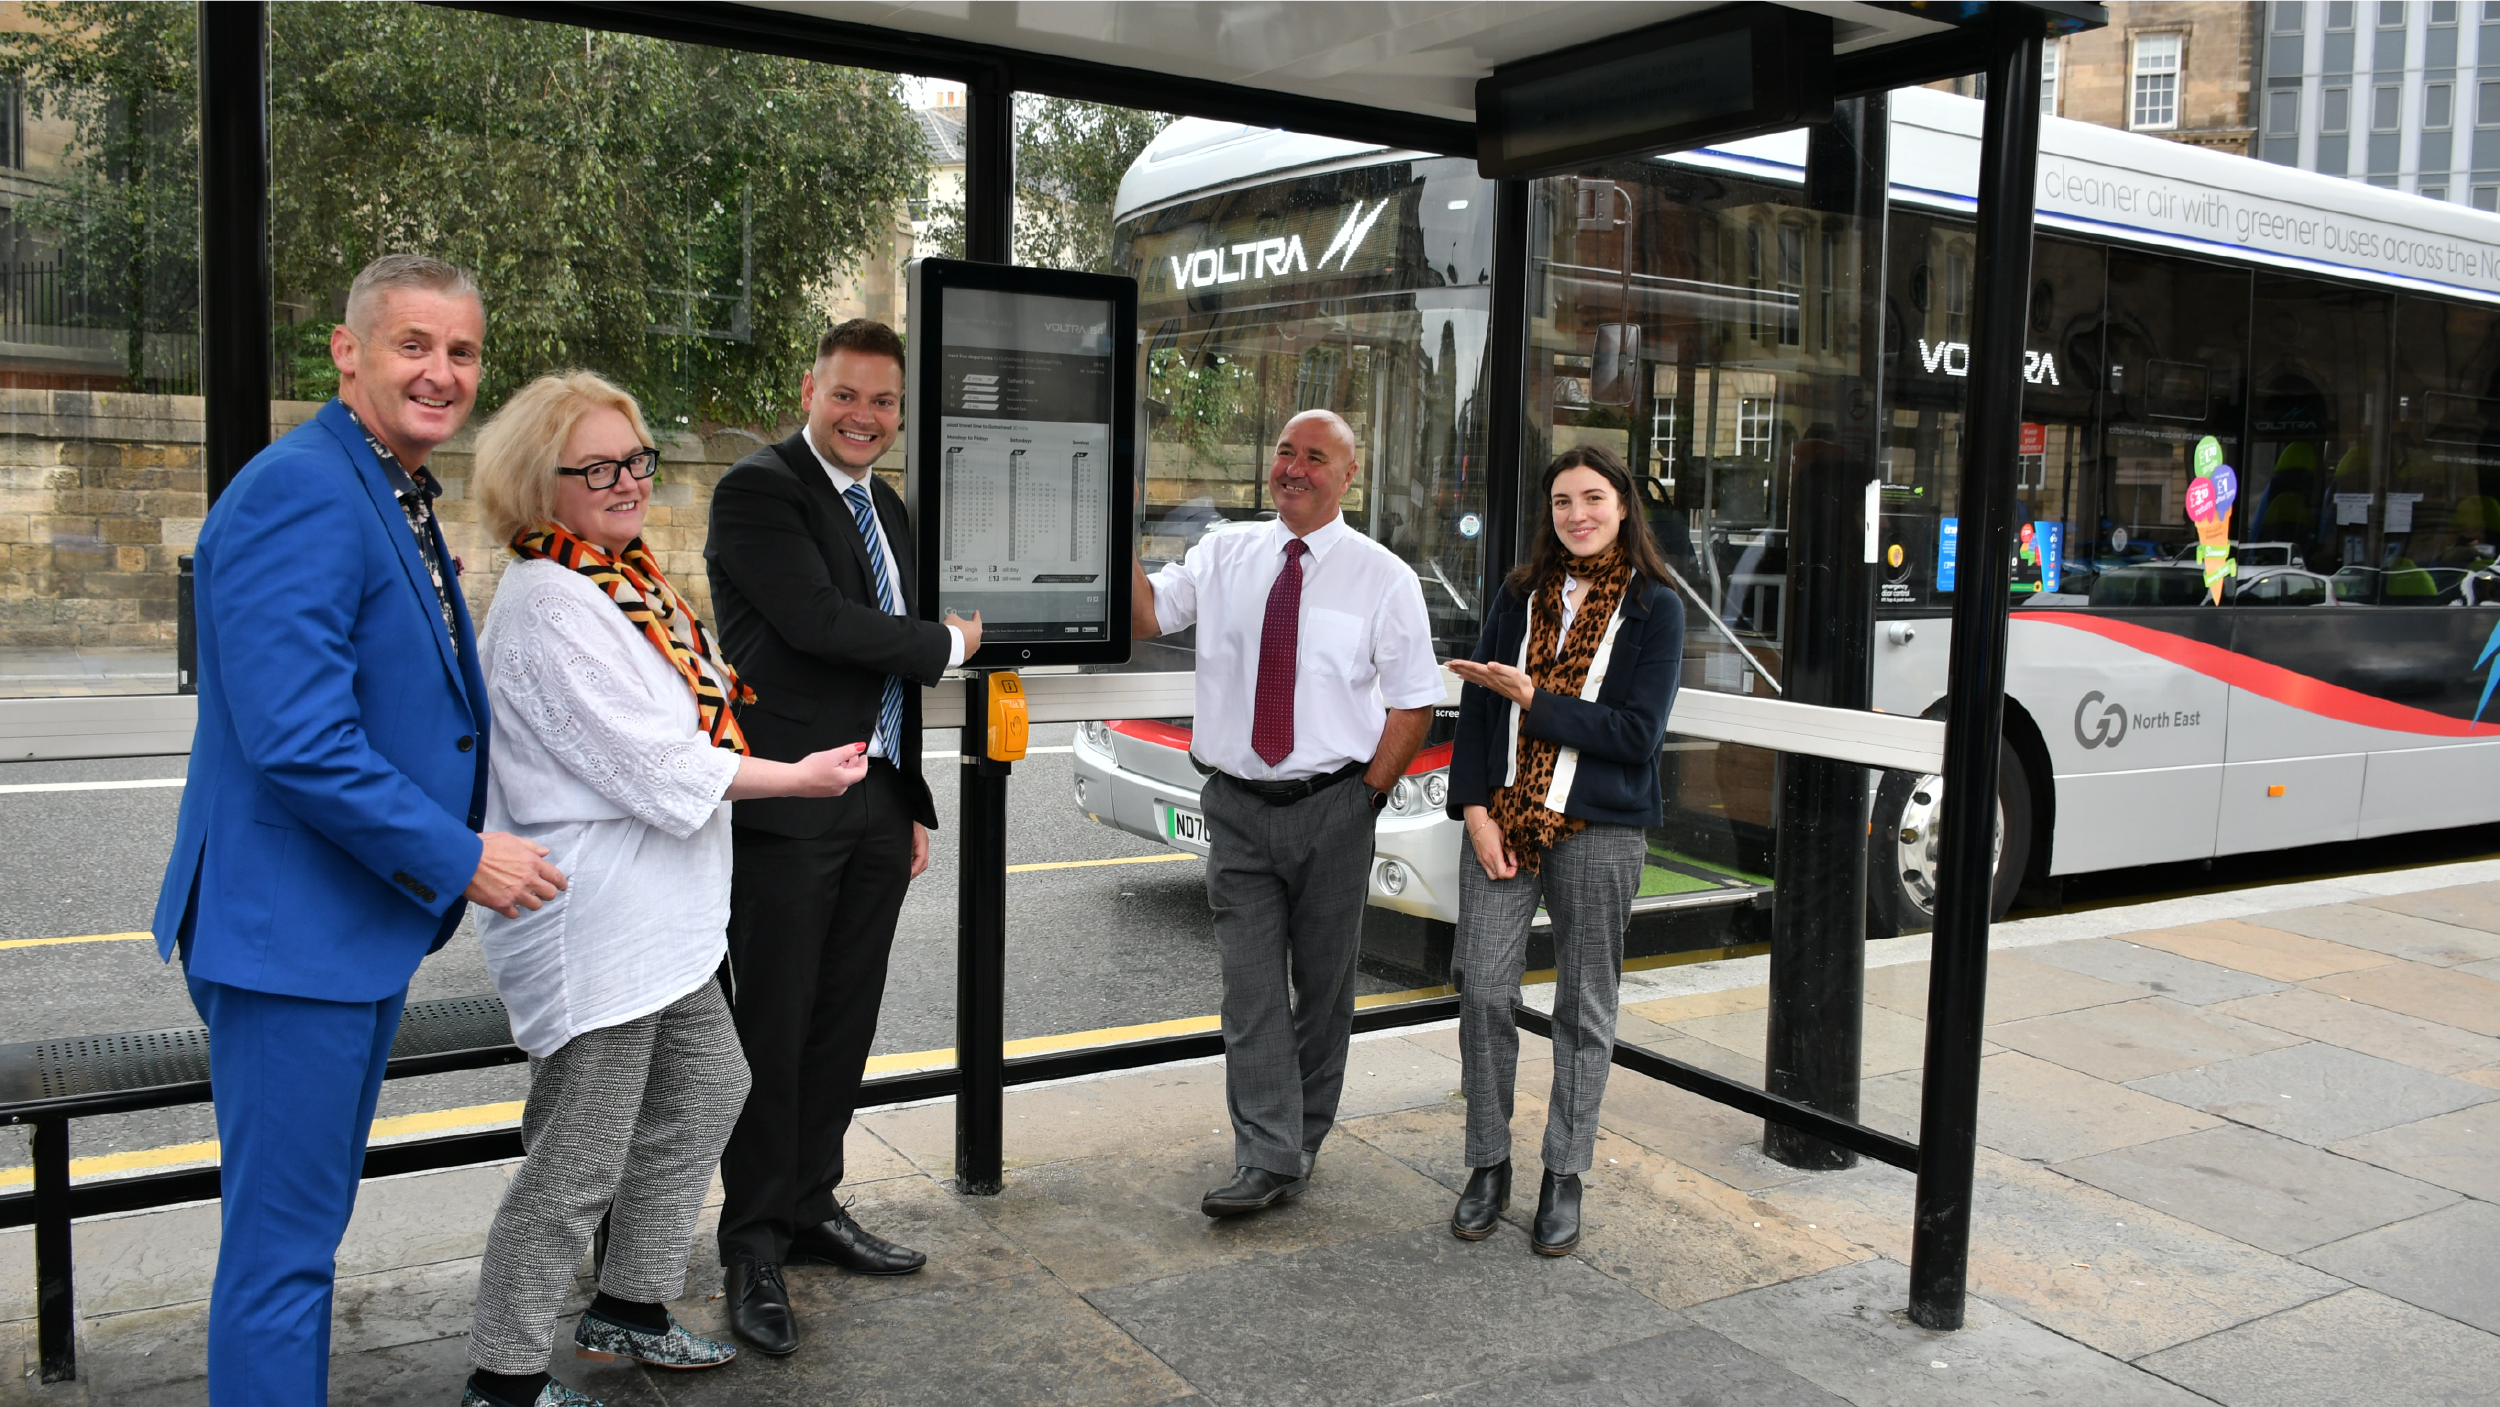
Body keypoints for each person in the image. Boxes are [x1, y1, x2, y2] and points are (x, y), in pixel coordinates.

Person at [148, 254, 567, 1406]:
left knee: (301, 1235)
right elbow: (298, 742)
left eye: (463, 351)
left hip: (338, 932)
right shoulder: (304, 488)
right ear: (348, 352)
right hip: (292, 941)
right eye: (414, 346)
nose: (442, 373)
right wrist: (462, 855)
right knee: (283, 1254)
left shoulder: (382, 482)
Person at [454, 373, 873, 1407]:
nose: (626, 481)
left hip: (662, 926)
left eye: (635, 459)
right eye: (595, 467)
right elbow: (653, 765)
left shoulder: (622, 578)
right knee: (575, 1165)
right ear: (534, 483)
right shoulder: (552, 604)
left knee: (707, 1089)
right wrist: (802, 777)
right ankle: (499, 1379)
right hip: (594, 925)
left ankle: (629, 1308)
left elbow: (684, 722)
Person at [705, 319, 982, 1355]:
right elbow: (821, 625)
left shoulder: (888, 505)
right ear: (808, 388)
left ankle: (812, 1204)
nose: (864, 417)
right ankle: (753, 1242)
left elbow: (884, 678)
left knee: (842, 1021)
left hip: (870, 802)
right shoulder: (759, 491)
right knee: (769, 1032)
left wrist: (907, 795)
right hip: (786, 801)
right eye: (847, 396)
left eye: (883, 403)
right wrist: (947, 642)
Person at [1130, 408, 1443, 1217]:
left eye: (1315, 457)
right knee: (1250, 987)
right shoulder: (1225, 552)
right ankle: (1267, 1152)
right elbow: (1144, 614)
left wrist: (1366, 797)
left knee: (1325, 988)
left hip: (1333, 804)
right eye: (1283, 452)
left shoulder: (1384, 578)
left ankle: (1300, 1134)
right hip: (1236, 807)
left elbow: (1414, 703)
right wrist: (1107, 530)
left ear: (1348, 476)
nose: (1293, 468)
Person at [1443, 444, 1684, 1256]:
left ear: (1623, 506)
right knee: (1482, 990)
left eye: (1592, 498)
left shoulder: (1657, 607)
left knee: (1584, 1006)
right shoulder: (1520, 594)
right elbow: (1480, 713)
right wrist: (1474, 810)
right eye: (1561, 503)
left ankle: (1564, 1173)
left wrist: (1536, 699)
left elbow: (1637, 735)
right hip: (1506, 821)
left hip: (1600, 832)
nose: (1576, 515)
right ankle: (1487, 1162)